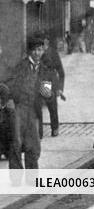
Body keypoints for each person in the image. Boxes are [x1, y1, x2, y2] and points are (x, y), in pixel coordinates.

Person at [3, 36, 49, 169]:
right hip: (19, 108)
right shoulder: (21, 66)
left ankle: (32, 179)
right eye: (34, 50)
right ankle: (16, 179)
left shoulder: (44, 70)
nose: (37, 53)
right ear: (30, 51)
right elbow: (8, 83)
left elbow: (46, 92)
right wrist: (9, 99)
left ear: (43, 51)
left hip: (33, 110)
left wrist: (48, 94)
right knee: (16, 142)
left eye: (39, 50)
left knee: (33, 145)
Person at [40, 35, 66, 137]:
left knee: (52, 106)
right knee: (38, 107)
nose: (44, 42)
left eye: (45, 40)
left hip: (49, 82)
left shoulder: (53, 53)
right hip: (38, 81)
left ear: (48, 41)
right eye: (42, 41)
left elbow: (61, 72)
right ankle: (39, 132)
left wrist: (60, 88)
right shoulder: (36, 52)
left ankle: (54, 128)